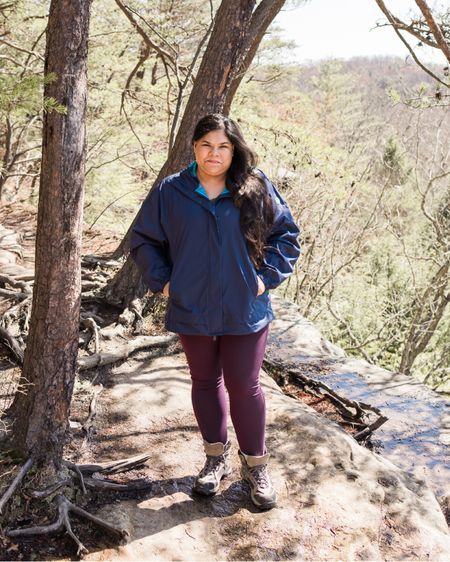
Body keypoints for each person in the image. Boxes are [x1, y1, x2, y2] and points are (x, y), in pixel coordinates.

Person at [130, 113, 301, 510]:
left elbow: (287, 236)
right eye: (206, 145)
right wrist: (166, 281)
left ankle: (256, 466)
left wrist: (264, 278)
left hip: (245, 307)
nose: (214, 153)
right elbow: (143, 240)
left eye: (223, 146)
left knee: (245, 384)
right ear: (193, 147)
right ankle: (214, 458)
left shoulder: (254, 186)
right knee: (205, 381)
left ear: (234, 149)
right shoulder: (172, 191)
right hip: (192, 306)